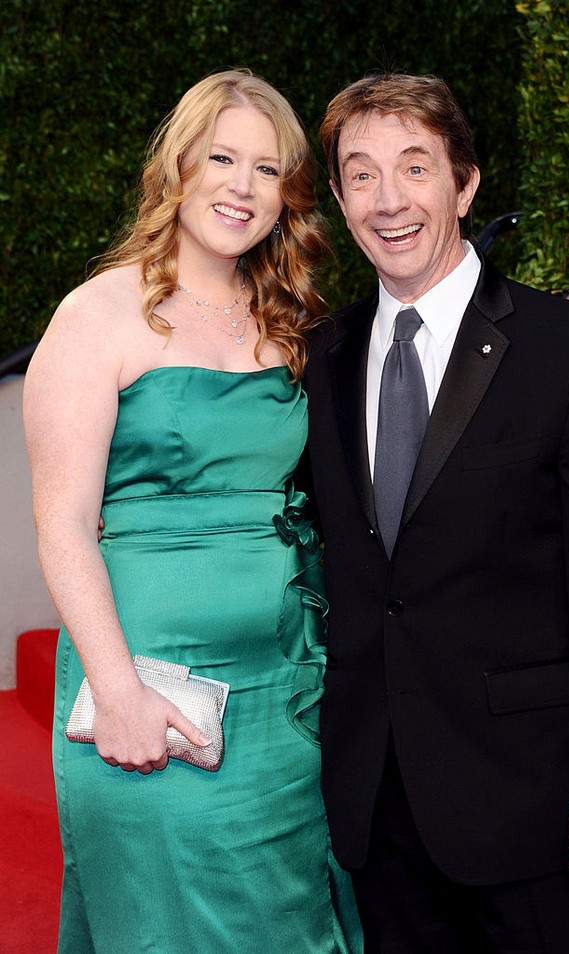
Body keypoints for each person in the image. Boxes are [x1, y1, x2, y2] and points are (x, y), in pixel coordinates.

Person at [301, 72, 569, 953]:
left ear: (464, 184)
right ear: (339, 199)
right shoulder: (318, 356)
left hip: (535, 810)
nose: (389, 201)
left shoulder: (567, 348)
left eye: (415, 168)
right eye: (361, 174)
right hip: (375, 807)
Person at [23, 69, 361, 954]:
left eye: (266, 168)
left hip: (287, 698)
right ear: (179, 165)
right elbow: (62, 523)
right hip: (152, 696)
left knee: (294, 925)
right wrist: (122, 691)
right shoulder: (98, 313)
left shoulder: (291, 319)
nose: (241, 187)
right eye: (222, 157)